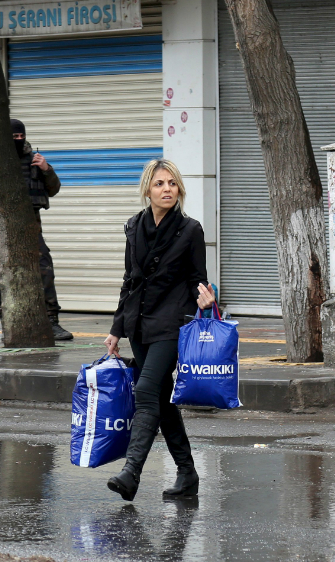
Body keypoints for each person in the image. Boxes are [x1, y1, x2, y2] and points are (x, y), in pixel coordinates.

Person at [103, 159, 215, 501]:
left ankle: (131, 472)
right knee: (162, 400)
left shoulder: (190, 229)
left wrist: (208, 299)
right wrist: (116, 328)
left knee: (147, 389)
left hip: (172, 324)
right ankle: (187, 474)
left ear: (179, 189)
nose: (167, 189)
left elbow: (198, 277)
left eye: (172, 183)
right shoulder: (133, 226)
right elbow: (130, 280)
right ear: (147, 190)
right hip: (139, 324)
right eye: (159, 184)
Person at [0, 119, 72, 340]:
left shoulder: (34, 160)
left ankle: (51, 321)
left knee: (44, 269)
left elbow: (53, 189)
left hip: (30, 226)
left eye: (20, 137)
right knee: (2, 274)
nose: (18, 141)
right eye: (13, 137)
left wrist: (46, 169)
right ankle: (7, 320)